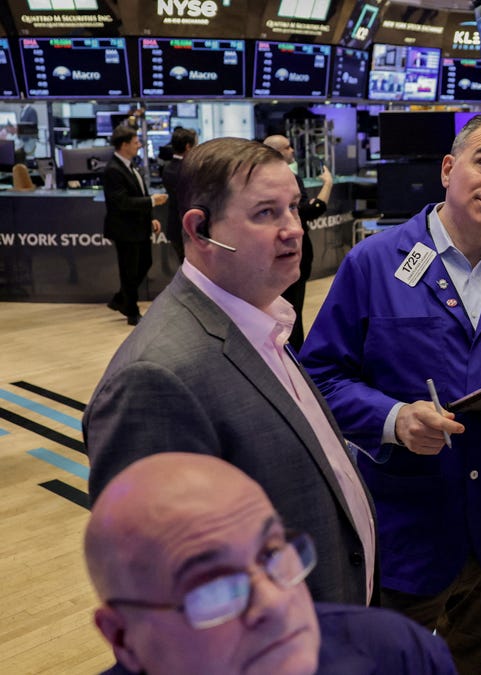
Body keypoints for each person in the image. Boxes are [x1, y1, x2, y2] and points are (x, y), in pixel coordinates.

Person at [301, 113, 481, 674]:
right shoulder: (374, 264)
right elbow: (319, 381)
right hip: (406, 533)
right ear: (448, 169)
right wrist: (394, 418)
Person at [84, 137, 376, 608]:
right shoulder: (155, 379)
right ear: (200, 229)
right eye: (266, 213)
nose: (294, 229)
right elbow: (163, 599)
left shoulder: (264, 323)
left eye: (293, 208)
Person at [85, 453, 456, 675]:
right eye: (214, 590)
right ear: (122, 638)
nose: (277, 603)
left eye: (273, 553)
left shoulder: (400, 653)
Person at [263, 134, 333, 350]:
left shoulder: (269, 178)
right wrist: (327, 184)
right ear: (277, 152)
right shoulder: (286, 179)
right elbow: (310, 211)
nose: (293, 150)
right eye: (288, 147)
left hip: (278, 257)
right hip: (290, 255)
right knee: (291, 312)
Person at [102, 126, 168, 325]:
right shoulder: (113, 170)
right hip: (125, 229)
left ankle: (120, 299)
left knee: (144, 263)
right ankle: (131, 311)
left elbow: (136, 195)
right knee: (129, 271)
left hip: (138, 226)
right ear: (124, 145)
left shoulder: (131, 166)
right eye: (135, 142)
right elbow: (121, 202)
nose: (139, 145)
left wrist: (149, 217)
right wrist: (152, 201)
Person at [160, 126, 197, 264]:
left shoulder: (167, 167)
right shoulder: (190, 170)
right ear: (188, 146)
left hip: (175, 227)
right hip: (191, 229)